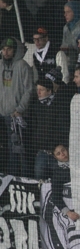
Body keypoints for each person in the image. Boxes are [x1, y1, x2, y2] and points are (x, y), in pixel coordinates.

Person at [0, 37, 33, 177]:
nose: (6, 52)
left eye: (9, 49)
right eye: (4, 49)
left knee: (19, 150)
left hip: (17, 117)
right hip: (2, 115)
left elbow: (29, 90)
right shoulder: (0, 65)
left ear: (15, 51)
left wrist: (19, 109)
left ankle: (21, 178)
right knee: (6, 149)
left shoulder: (23, 66)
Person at [27, 79, 70, 180]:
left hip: (58, 152)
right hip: (42, 151)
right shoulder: (36, 106)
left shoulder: (60, 105)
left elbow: (63, 127)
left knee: (59, 180)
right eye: (37, 90)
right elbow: (33, 128)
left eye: (41, 90)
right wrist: (36, 147)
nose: (38, 93)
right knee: (39, 180)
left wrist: (59, 148)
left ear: (49, 91)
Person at [61, 1, 80, 71]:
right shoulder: (65, 27)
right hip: (69, 60)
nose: (65, 15)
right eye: (64, 12)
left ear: (75, 11)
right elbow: (64, 44)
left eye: (68, 12)